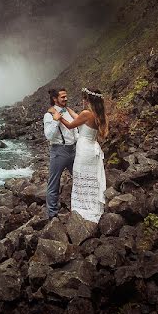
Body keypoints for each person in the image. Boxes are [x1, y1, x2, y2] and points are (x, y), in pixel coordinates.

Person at [51, 87, 108, 223]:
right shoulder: (99, 114)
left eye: (84, 98)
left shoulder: (86, 113)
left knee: (81, 178)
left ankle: (83, 210)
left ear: (88, 99)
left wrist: (58, 118)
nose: (83, 100)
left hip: (84, 150)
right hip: (93, 148)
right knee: (92, 178)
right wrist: (68, 110)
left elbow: (71, 125)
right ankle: (93, 206)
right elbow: (79, 119)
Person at [43, 87, 95, 220]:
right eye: (62, 97)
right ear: (55, 99)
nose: (66, 99)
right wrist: (55, 120)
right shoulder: (49, 115)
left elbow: (75, 129)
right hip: (59, 151)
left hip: (73, 150)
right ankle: (52, 215)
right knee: (54, 183)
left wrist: (79, 143)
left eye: (66, 96)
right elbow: (49, 136)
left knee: (80, 179)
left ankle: (84, 208)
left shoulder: (67, 111)